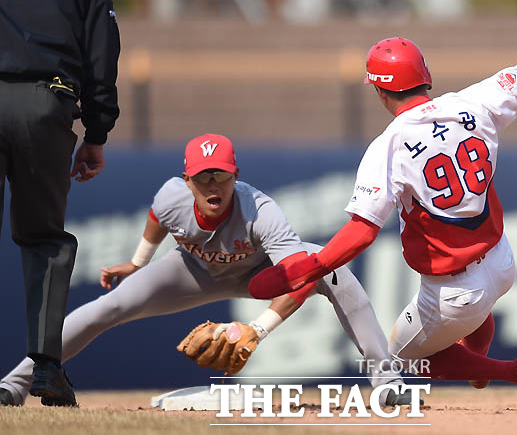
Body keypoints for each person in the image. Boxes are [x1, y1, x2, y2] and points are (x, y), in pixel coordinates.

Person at [249, 0, 517, 388]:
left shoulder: (388, 146)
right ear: (425, 76)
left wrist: (309, 268)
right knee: (474, 315)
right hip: (501, 260)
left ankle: (511, 370)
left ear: (379, 90)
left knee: (396, 359)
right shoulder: (474, 102)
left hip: (454, 291)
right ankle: (478, 362)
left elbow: (361, 232)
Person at [0, 134, 413, 407]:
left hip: (259, 272)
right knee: (103, 309)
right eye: (203, 177)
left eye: (222, 176)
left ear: (236, 176)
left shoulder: (260, 210)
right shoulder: (171, 197)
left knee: (334, 271)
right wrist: (139, 262)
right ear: (187, 179)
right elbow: (157, 219)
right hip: (192, 271)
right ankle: (15, 384)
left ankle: (386, 381)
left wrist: (259, 328)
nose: (213, 186)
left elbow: (297, 276)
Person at [0, 0, 120, 406]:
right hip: (45, 100)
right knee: (44, 239)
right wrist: (97, 129)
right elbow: (101, 41)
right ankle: (46, 367)